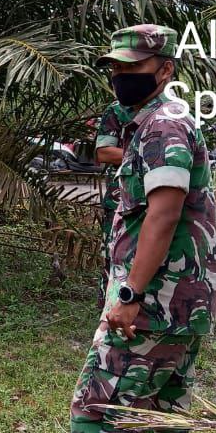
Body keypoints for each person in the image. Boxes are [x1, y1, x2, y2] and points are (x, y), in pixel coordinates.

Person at [61, 24, 216, 433]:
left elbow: (165, 210)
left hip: (154, 300)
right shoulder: (156, 123)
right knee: (158, 409)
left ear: (166, 70)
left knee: (96, 410)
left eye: (134, 68)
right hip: (184, 299)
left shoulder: (163, 127)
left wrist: (130, 291)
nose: (122, 77)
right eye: (117, 68)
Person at [93, 99, 132, 295]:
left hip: (158, 197)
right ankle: (110, 308)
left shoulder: (172, 110)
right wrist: (146, 154)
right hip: (120, 199)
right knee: (115, 254)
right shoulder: (118, 110)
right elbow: (105, 152)